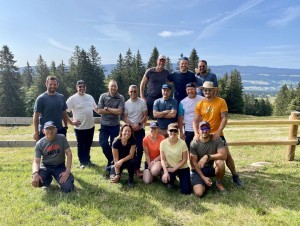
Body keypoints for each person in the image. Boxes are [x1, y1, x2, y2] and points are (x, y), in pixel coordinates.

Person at [193, 81, 243, 187]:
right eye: (205, 90)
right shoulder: (200, 104)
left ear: (214, 90)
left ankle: (235, 176)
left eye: (209, 90)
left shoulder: (221, 102)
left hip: (217, 134)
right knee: (198, 155)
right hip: (204, 134)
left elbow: (224, 118)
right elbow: (195, 121)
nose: (207, 92)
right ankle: (199, 175)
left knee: (227, 156)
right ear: (202, 91)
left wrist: (218, 132)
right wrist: (196, 133)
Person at [31, 121, 74, 193]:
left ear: (56, 130)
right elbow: (36, 161)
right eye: (47, 129)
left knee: (68, 188)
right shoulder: (39, 143)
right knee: (37, 182)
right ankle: (47, 180)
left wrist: (67, 171)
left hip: (60, 166)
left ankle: (69, 178)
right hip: (46, 166)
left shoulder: (62, 138)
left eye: (52, 129)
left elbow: (69, 153)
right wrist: (35, 173)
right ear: (43, 131)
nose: (50, 131)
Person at [66, 80, 98, 169]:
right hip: (79, 128)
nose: (82, 88)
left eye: (83, 86)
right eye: (80, 87)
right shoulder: (72, 99)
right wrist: (71, 122)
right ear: (77, 88)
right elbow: (64, 111)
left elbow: (96, 109)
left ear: (85, 87)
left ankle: (88, 160)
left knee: (88, 144)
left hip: (90, 126)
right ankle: (82, 162)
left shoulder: (90, 97)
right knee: (81, 145)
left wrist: (106, 113)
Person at [190, 121, 227, 197]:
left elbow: (224, 156)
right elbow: (194, 163)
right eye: (202, 128)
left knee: (220, 162)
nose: (204, 130)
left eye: (206, 128)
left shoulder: (216, 139)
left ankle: (219, 183)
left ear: (210, 130)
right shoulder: (194, 143)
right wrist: (203, 178)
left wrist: (207, 156)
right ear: (198, 130)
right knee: (198, 193)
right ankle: (204, 182)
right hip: (199, 169)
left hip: (211, 167)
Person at [33, 76, 70, 141]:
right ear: (46, 84)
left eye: (54, 84)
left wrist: (65, 127)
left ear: (57, 85)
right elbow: (36, 116)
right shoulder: (41, 98)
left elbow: (64, 113)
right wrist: (36, 132)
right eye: (50, 84)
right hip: (45, 131)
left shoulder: (61, 97)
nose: (53, 86)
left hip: (59, 130)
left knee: (60, 151)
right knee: (45, 151)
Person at [98, 80, 125, 168]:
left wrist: (107, 108)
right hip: (104, 125)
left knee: (114, 145)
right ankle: (111, 160)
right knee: (103, 143)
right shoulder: (103, 96)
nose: (113, 88)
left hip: (115, 126)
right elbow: (99, 110)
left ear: (117, 87)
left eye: (115, 86)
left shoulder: (121, 97)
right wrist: (114, 110)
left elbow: (120, 111)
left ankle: (112, 165)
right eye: (111, 86)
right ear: (108, 87)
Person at [124, 85, 148, 177]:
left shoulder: (142, 102)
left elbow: (145, 115)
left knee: (140, 149)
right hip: (130, 130)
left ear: (137, 92)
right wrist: (131, 125)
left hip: (140, 129)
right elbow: (125, 117)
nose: (133, 93)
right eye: (131, 91)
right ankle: (132, 167)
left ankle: (137, 168)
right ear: (128, 92)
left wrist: (139, 124)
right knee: (131, 149)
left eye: (134, 91)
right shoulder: (126, 103)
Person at [160, 123, 191, 194]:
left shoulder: (183, 143)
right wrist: (165, 172)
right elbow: (162, 159)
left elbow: (185, 159)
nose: (173, 132)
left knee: (186, 191)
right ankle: (170, 180)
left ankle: (185, 179)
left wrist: (174, 169)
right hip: (170, 167)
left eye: (175, 131)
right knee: (166, 180)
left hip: (182, 167)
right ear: (167, 131)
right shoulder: (163, 143)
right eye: (171, 130)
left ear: (178, 132)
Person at [178, 83, 203, 150]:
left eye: (192, 89)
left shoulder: (202, 100)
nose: (190, 91)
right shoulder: (183, 102)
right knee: (190, 150)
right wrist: (181, 132)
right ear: (186, 91)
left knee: (201, 150)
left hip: (202, 129)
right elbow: (180, 118)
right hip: (188, 130)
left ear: (195, 90)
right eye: (188, 90)